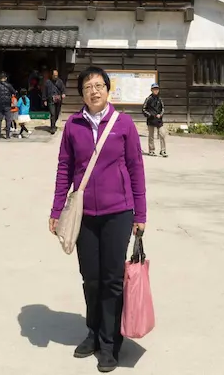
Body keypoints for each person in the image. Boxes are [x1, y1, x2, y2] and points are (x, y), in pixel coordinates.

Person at [49, 65, 146, 374]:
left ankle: (109, 341)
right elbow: (65, 168)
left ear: (108, 90)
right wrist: (55, 210)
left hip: (119, 212)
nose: (94, 90)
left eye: (99, 85)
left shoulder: (124, 124)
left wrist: (140, 213)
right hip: (85, 216)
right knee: (90, 278)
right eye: (88, 86)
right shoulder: (73, 125)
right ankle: (93, 331)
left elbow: (135, 168)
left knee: (112, 279)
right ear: (81, 93)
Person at [142, 83, 167, 158]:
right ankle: (151, 150)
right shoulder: (148, 99)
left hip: (159, 120)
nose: (156, 90)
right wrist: (150, 115)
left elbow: (163, 108)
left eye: (157, 89)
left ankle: (163, 150)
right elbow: (143, 109)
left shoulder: (160, 99)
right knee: (151, 136)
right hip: (151, 120)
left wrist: (161, 114)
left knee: (162, 134)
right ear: (151, 90)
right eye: (154, 89)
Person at [0, 72, 16, 140]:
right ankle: (7, 135)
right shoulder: (9, 85)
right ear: (5, 78)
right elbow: (14, 92)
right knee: (8, 120)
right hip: (7, 105)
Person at [44, 68, 66, 135]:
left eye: (56, 75)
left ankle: (54, 123)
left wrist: (63, 93)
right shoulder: (48, 82)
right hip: (51, 100)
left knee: (56, 113)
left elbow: (63, 89)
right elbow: (44, 91)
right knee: (52, 114)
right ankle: (52, 128)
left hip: (58, 99)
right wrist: (44, 99)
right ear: (52, 75)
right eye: (54, 75)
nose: (55, 76)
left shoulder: (60, 81)